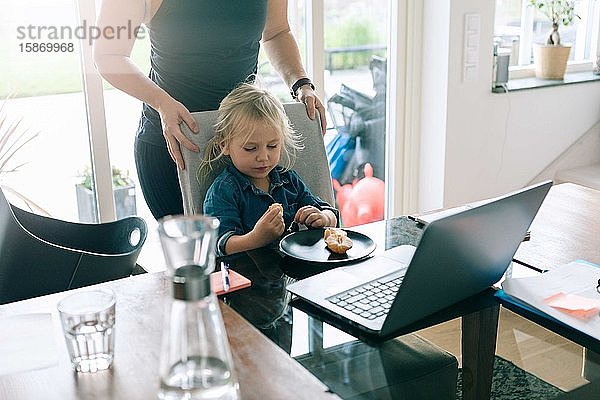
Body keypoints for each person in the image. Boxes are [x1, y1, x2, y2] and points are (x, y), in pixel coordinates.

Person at [93, 0, 327, 220]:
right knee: (199, 258)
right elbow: (108, 55)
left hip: (244, 142)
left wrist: (301, 83)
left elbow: (276, 32)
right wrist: (162, 103)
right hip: (176, 145)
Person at [201, 83, 337, 256]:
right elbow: (219, 245)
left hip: (292, 271)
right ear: (225, 145)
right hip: (248, 277)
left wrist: (323, 218)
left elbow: (330, 214)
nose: (263, 157)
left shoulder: (289, 180)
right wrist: (256, 238)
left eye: (272, 146)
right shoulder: (224, 191)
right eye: (251, 148)